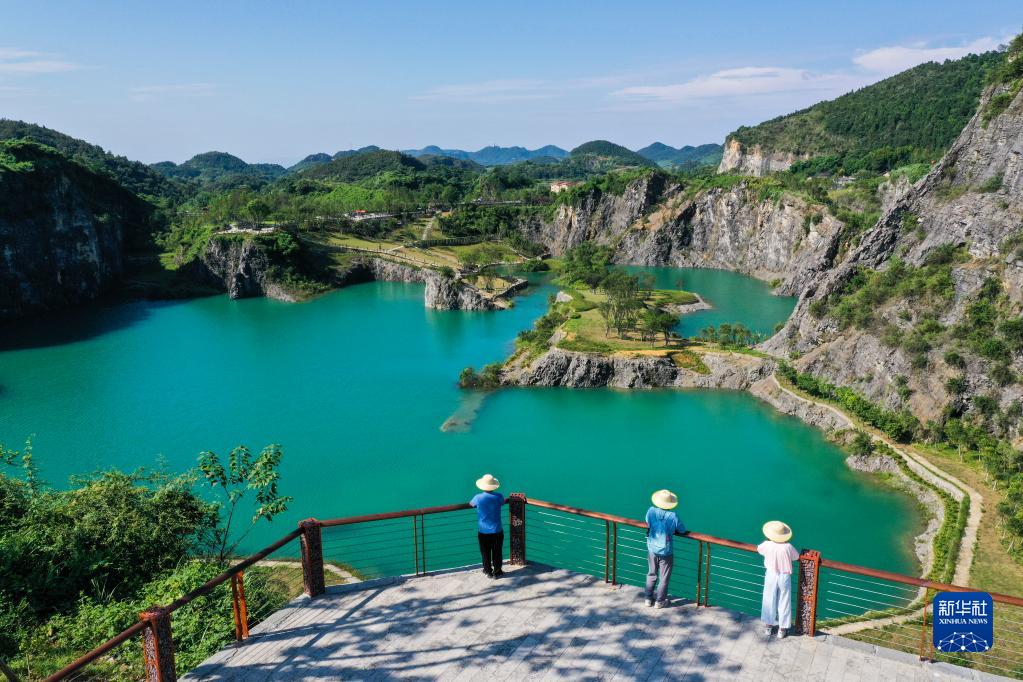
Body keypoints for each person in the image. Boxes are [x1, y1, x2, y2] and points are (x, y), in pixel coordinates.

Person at [758, 520, 800, 638]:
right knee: (784, 601)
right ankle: (782, 629)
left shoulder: (767, 544)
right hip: (784, 576)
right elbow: (796, 557)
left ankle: (768, 627)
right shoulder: (788, 547)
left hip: (771, 574)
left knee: (769, 599)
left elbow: (759, 549)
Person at [645, 489, 684, 608]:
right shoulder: (672, 516)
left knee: (651, 573)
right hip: (666, 551)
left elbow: (647, 522)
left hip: (652, 548)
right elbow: (682, 529)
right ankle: (660, 601)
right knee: (664, 577)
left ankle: (648, 599)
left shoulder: (651, 511)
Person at [470, 473, 505, 579]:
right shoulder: (499, 496)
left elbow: (471, 504)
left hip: (483, 531)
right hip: (497, 530)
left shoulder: (478, 498)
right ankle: (497, 571)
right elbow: (503, 503)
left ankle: (487, 571)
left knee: (485, 552)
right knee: (497, 551)